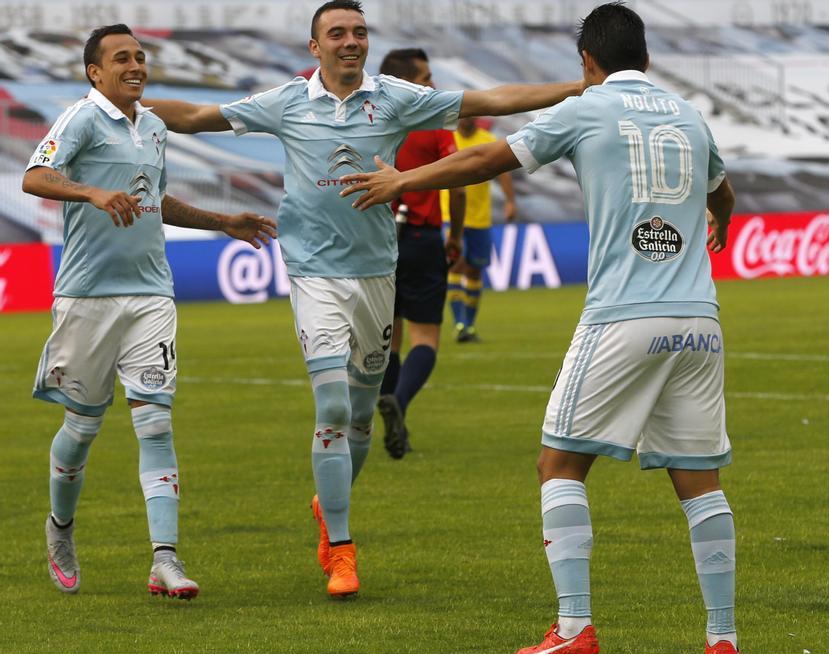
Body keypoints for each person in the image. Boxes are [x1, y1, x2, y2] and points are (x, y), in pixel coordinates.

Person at [143, 0, 586, 599]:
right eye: (337, 33)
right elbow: (196, 114)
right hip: (313, 272)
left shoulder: (397, 97)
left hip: (378, 272)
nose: (350, 41)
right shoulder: (286, 101)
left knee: (358, 419)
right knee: (330, 408)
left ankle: (330, 505)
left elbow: (491, 100)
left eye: (359, 31)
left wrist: (580, 87)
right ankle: (343, 552)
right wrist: (125, 106)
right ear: (315, 47)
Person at [339, 3, 741, 654]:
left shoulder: (586, 108)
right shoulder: (689, 115)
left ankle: (576, 630)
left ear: (587, 62)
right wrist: (718, 220)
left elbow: (487, 161)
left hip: (624, 315)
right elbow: (722, 190)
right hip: (699, 320)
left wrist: (402, 180)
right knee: (699, 479)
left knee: (558, 463)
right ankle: (723, 640)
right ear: (647, 56)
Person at [23, 24, 277, 600]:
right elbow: (33, 176)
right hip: (88, 294)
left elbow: (154, 199)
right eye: (122, 58)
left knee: (156, 421)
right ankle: (60, 527)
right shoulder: (80, 119)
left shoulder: (154, 125)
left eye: (140, 56)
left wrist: (223, 222)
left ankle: (165, 559)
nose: (136, 64)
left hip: (150, 294)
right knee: (82, 428)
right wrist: (90, 192)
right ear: (95, 72)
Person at [374, 48, 466, 460]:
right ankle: (400, 403)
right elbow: (459, 183)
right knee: (425, 337)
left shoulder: (371, 120)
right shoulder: (432, 120)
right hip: (423, 238)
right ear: (407, 83)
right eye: (426, 78)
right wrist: (456, 235)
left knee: (388, 340)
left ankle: (388, 406)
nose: (432, 86)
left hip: (378, 242)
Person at [443, 117, 517, 343]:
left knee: (475, 270)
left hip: (479, 218)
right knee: (455, 265)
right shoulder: (449, 140)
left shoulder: (487, 140)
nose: (468, 117)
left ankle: (470, 325)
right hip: (452, 217)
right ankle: (459, 324)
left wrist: (510, 201)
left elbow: (503, 173)